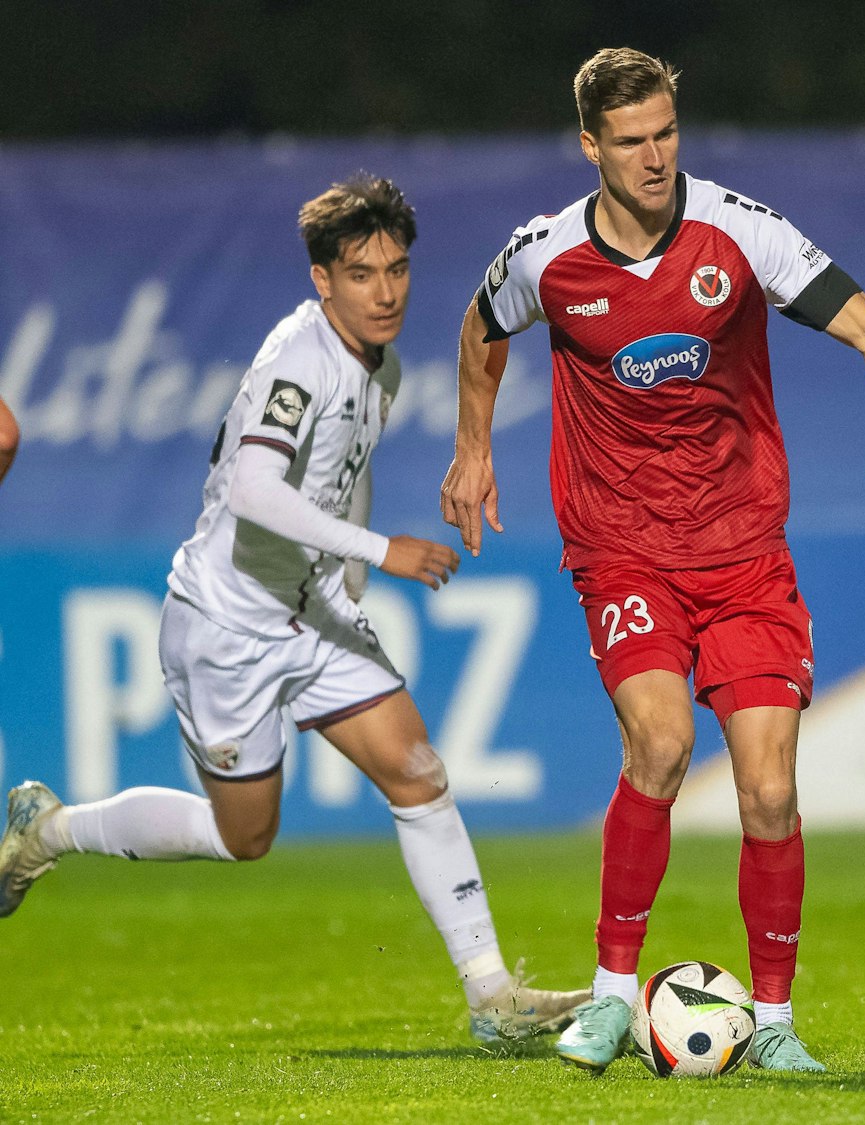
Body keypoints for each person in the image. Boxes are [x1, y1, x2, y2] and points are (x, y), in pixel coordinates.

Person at [440, 48, 865, 1075]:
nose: (655, 156)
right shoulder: (545, 256)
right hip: (622, 549)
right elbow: (481, 327)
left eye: (666, 131)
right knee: (663, 746)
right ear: (591, 147)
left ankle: (775, 1021)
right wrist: (473, 445)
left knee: (768, 790)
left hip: (744, 550)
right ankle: (611, 998)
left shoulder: (739, 232)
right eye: (630, 140)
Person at [0, 175, 587, 1044]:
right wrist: (379, 550)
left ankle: (493, 996)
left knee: (418, 773)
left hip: (310, 612)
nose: (385, 292)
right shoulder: (299, 361)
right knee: (244, 836)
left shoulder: (380, 366)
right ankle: (48, 830)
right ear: (323, 279)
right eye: (361, 274)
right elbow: (252, 488)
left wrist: (345, 577)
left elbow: (349, 467)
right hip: (226, 624)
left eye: (396, 270)